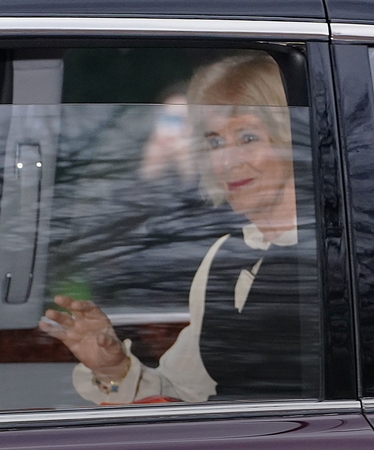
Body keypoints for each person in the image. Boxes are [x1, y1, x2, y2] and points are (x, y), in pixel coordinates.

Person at [39, 51, 318, 403]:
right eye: (215, 141)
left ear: (292, 139)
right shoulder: (224, 255)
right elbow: (183, 392)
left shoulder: (349, 249)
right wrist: (113, 369)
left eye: (247, 137)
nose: (226, 161)